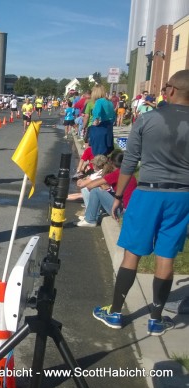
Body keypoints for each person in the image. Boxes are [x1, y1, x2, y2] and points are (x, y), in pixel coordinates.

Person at [93, 70, 189, 336]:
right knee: (166, 255)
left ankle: (114, 313)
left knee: (132, 253)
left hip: (149, 193)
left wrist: (119, 195)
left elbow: (129, 162)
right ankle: (156, 319)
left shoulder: (147, 120)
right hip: (182, 196)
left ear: (170, 91)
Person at [76, 151, 136, 227]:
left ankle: (90, 219)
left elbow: (90, 186)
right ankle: (92, 214)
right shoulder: (129, 173)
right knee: (100, 190)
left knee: (96, 191)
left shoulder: (116, 173)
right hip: (131, 209)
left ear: (112, 162)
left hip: (121, 211)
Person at [87, 85, 115, 156]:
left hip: (100, 129)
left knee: (97, 156)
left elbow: (97, 114)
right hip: (109, 129)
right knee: (106, 155)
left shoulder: (99, 101)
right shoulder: (109, 102)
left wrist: (94, 124)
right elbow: (114, 116)